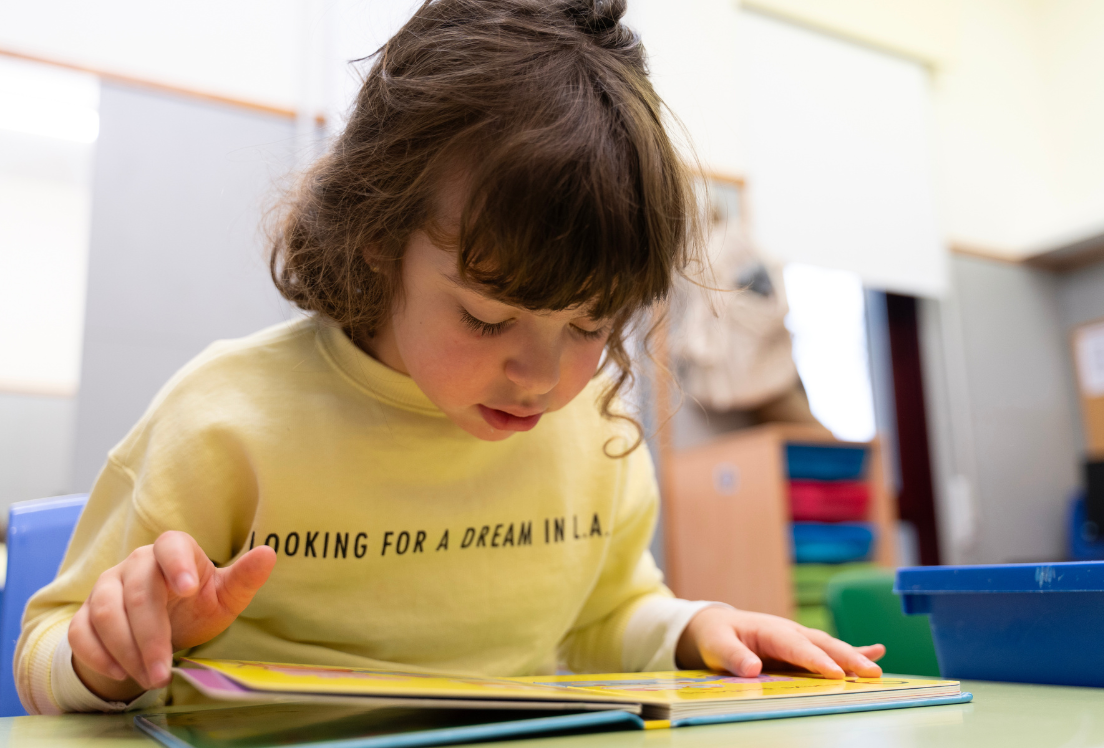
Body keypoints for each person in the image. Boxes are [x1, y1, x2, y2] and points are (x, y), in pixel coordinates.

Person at [15, 0, 884, 715]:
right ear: (375, 239)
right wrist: (107, 657)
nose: (543, 379)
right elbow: (42, 656)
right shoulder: (224, 420)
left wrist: (696, 626)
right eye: (484, 317)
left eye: (591, 325)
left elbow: (607, 616)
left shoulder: (594, 431)